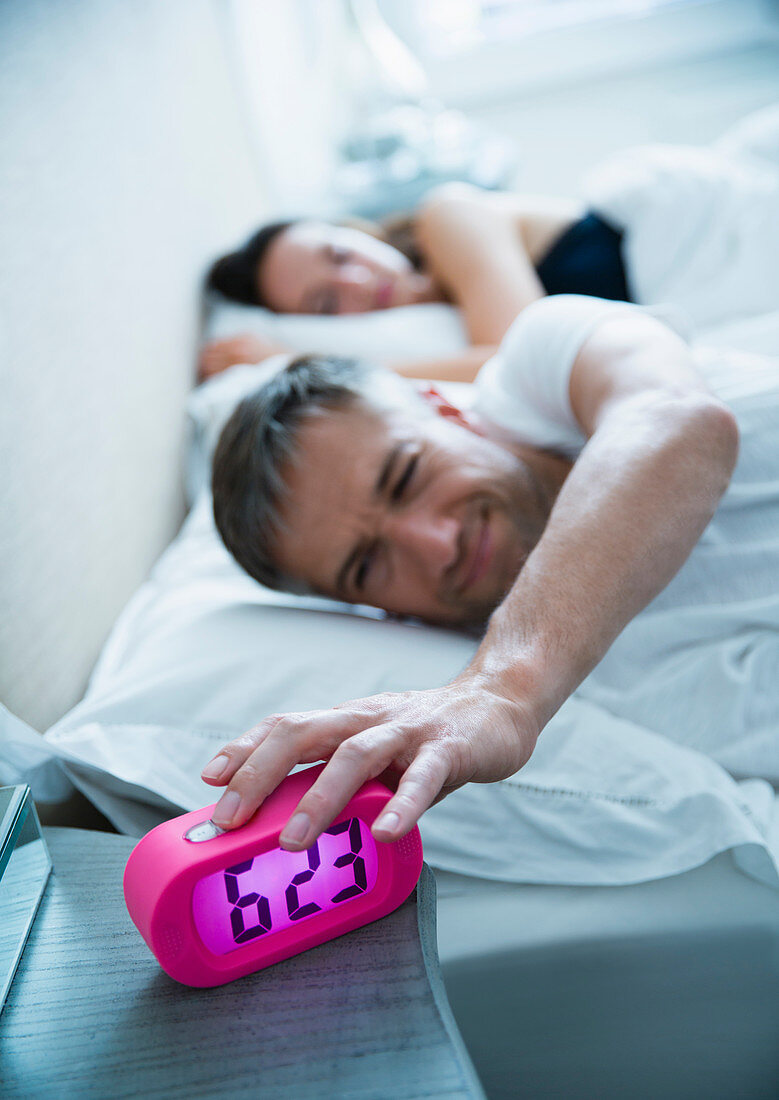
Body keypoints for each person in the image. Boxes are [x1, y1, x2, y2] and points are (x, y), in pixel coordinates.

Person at [201, 294, 743, 851]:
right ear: (374, 611)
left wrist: (505, 688)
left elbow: (680, 421)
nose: (437, 543)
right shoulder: (598, 703)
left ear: (445, 406)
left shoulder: (547, 357)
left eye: (407, 475)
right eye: (368, 564)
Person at [199, 186, 633, 383]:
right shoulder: (445, 323)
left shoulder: (447, 215)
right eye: (326, 303)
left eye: (339, 254)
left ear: (357, 230)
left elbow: (515, 360)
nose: (356, 281)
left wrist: (292, 359)